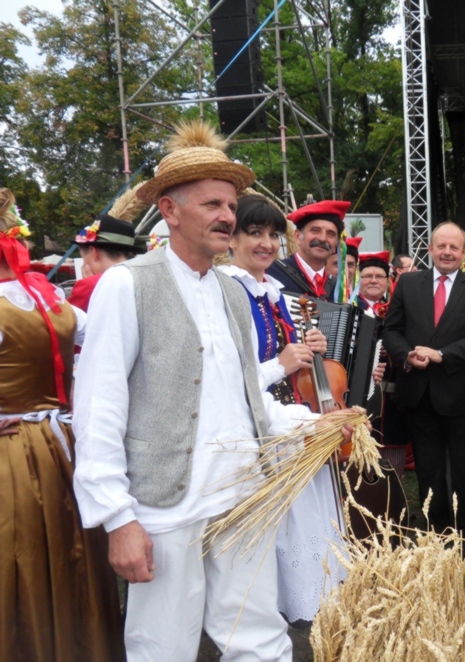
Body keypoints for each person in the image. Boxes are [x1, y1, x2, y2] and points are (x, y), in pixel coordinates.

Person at [72, 120, 353, 661]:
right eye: (212, 204)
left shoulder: (230, 290)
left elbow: (245, 398)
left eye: (230, 205)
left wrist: (311, 424)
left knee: (259, 638)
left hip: (242, 496)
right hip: (166, 505)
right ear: (170, 211)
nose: (227, 215)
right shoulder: (127, 284)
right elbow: (99, 410)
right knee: (163, 647)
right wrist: (118, 517)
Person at [0, 188, 125, 661]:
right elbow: (104, 347)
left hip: (13, 451)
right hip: (64, 446)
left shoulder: (39, 295)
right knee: (69, 554)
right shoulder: (49, 297)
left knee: (23, 558)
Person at [218, 193, 346, 623]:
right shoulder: (229, 293)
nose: (267, 243)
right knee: (278, 531)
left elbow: (284, 359)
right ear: (231, 239)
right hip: (259, 434)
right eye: (254, 233)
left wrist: (307, 350)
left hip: (290, 427)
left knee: (305, 523)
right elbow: (225, 382)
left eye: (273, 235)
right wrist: (281, 364)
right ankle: (271, 612)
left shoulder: (268, 294)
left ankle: (305, 604)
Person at [382, 222, 465, 557]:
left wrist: (442, 354)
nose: (447, 252)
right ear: (429, 249)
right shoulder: (407, 283)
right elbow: (392, 330)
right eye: (441, 246)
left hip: (460, 394)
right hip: (418, 394)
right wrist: (407, 355)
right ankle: (436, 533)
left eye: (454, 247)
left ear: (464, 252)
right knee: (428, 469)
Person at [266, 199, 349, 301]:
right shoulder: (272, 273)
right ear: (298, 236)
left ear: (336, 244)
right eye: (315, 230)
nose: (323, 238)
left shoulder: (338, 289)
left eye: (330, 234)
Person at [68, 212, 142, 311]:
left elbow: (64, 319)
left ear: (93, 252)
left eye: (84, 259)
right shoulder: (144, 277)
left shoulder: (90, 286)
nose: (84, 266)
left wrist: (90, 286)